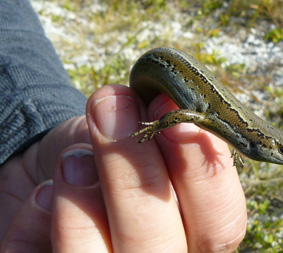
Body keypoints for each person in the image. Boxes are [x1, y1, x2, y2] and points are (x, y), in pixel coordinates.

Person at [0, 0, 247, 252]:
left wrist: (27, 143)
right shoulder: (227, 123)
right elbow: (189, 116)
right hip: (157, 66)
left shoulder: (232, 129)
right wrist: (156, 126)